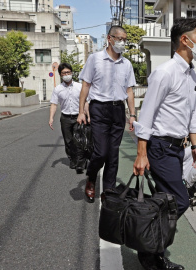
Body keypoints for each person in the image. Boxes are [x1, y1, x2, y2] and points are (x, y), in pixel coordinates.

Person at [133, 17, 196, 270]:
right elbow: (146, 116)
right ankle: (150, 251)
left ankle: (152, 252)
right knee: (179, 202)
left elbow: (192, 114)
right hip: (161, 147)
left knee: (164, 203)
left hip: (179, 147)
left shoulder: (191, 73)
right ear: (185, 40)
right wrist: (142, 154)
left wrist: (195, 147)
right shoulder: (164, 73)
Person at [77, 25, 137, 203]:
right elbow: (85, 86)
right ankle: (91, 177)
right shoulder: (95, 59)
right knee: (101, 152)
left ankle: (108, 192)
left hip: (118, 110)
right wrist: (81, 111)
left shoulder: (126, 64)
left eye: (125, 40)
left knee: (113, 154)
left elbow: (130, 91)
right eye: (119, 39)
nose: (122, 42)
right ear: (109, 39)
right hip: (99, 109)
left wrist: (132, 115)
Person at [49, 63, 88, 174]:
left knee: (79, 140)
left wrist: (87, 115)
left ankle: (80, 163)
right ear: (60, 75)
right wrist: (51, 118)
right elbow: (54, 104)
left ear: (72, 73)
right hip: (65, 118)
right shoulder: (58, 89)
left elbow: (86, 102)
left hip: (78, 116)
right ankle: (73, 160)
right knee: (69, 141)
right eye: (64, 73)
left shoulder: (80, 87)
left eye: (68, 72)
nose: (66, 75)